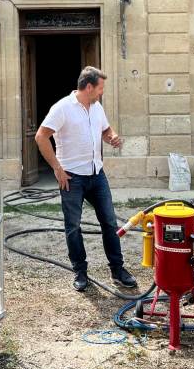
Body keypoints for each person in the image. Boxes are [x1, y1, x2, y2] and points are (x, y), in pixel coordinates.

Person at [35, 66, 137, 292]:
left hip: (97, 175)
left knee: (110, 222)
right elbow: (41, 136)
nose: (102, 93)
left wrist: (112, 137)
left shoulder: (96, 107)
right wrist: (57, 168)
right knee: (73, 227)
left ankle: (118, 270)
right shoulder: (62, 108)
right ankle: (80, 272)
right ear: (89, 87)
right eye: (100, 88)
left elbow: (105, 130)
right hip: (72, 178)